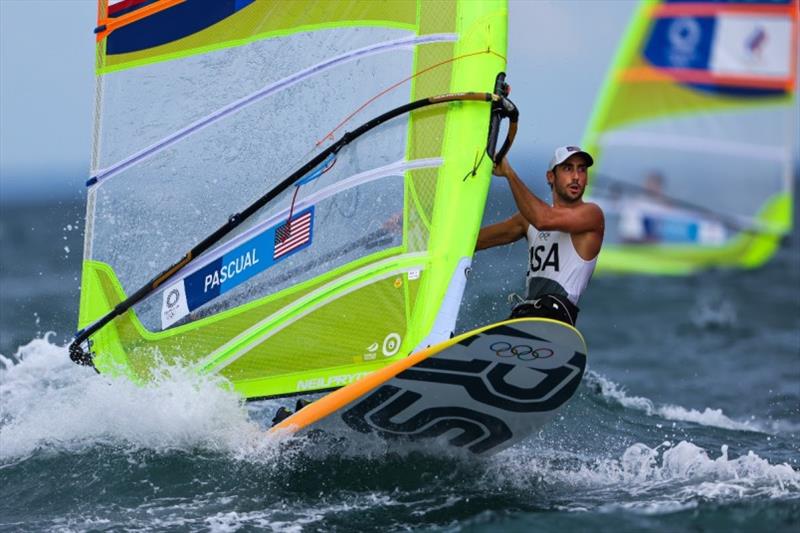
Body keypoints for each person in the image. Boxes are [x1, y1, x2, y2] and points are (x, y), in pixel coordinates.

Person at [475, 146, 604, 326]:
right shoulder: (527, 221)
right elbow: (476, 241)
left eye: (581, 170)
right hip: (530, 314)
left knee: (547, 306)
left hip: (558, 317)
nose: (576, 176)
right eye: (568, 168)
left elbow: (543, 220)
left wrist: (509, 174)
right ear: (550, 176)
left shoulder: (591, 215)